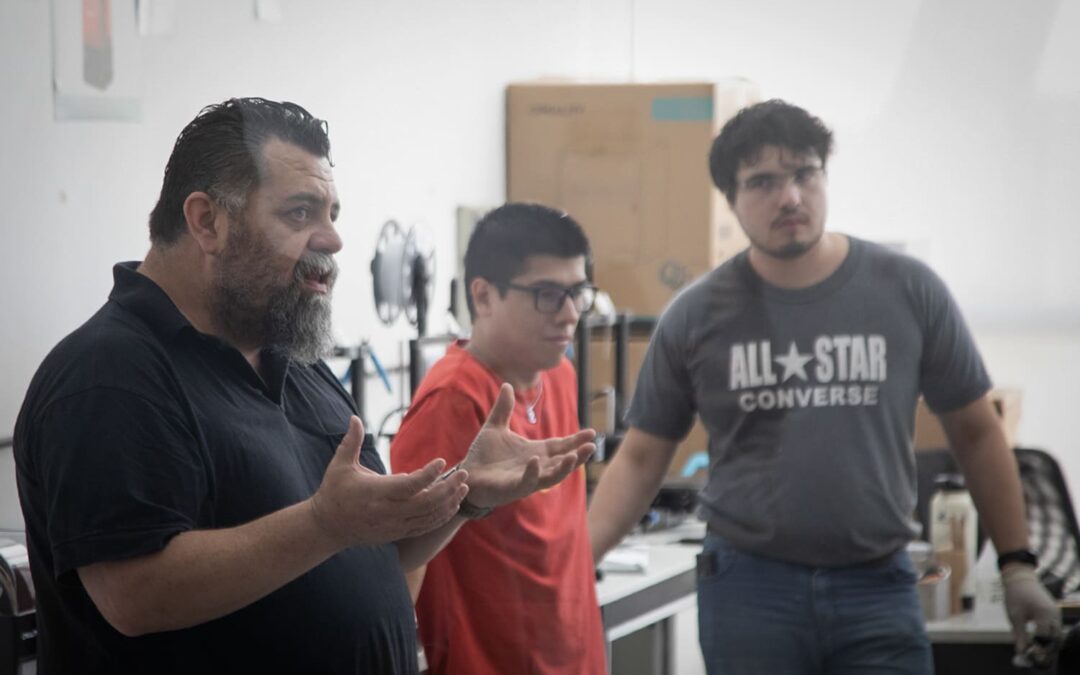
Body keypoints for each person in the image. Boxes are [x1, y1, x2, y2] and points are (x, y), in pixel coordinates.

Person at [13, 98, 595, 675]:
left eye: (332, 214)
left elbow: (374, 548)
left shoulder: (294, 357)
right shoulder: (108, 375)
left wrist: (465, 497)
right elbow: (134, 594)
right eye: (300, 213)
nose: (332, 239)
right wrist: (323, 523)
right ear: (207, 221)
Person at [587, 99, 1062, 674]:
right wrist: (575, 566)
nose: (790, 197)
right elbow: (641, 457)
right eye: (762, 182)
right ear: (731, 200)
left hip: (877, 585)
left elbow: (978, 433)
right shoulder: (695, 316)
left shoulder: (907, 291)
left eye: (804, 174)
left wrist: (1017, 567)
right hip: (749, 590)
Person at [390, 203, 607, 675]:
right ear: (484, 296)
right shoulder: (453, 399)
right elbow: (403, 559)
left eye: (578, 292)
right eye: (548, 294)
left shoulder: (560, 374)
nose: (570, 314)